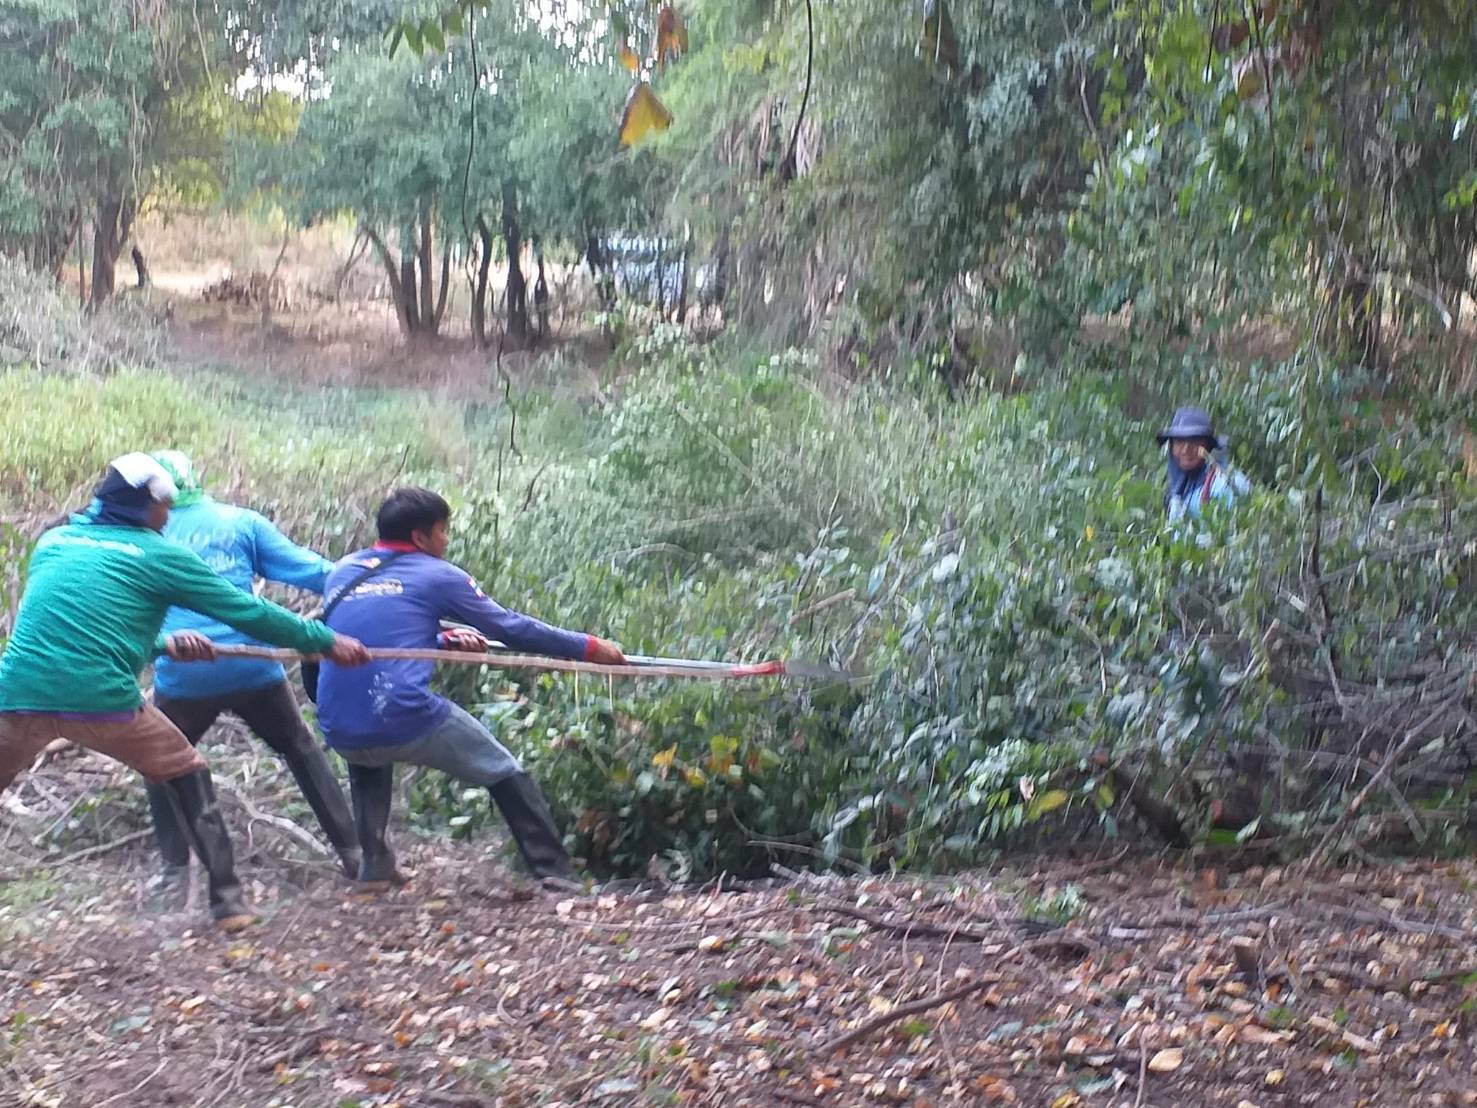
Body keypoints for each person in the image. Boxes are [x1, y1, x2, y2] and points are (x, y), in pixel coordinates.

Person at [0, 454, 370, 929]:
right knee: (185, 769)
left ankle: (176, 877)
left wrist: (163, 643)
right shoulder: (161, 555)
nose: (168, 516)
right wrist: (324, 640)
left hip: (15, 696)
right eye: (163, 506)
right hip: (103, 700)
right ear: (144, 506)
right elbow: (247, 612)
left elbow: (81, 629)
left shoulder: (54, 542)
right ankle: (228, 901)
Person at [316, 486, 626, 888]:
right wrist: (587, 646)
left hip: (337, 722)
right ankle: (556, 874)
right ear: (420, 536)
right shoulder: (438, 574)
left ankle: (374, 867)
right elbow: (510, 627)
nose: (446, 541)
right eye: (443, 531)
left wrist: (443, 641)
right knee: (503, 768)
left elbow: (366, 634)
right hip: (401, 713)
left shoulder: (342, 571)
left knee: (367, 748)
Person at [142, 451, 359, 909]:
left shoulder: (141, 537)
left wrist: (162, 641)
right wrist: (376, 581)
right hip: (253, 666)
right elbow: (313, 571)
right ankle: (355, 854)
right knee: (300, 748)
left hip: (185, 676)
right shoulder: (240, 522)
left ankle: (175, 876)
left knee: (161, 765)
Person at [1156, 405, 1250, 524]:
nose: (1185, 450)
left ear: (1207, 446)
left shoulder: (1228, 484)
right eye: (1179, 442)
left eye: (1193, 442)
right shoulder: (1179, 490)